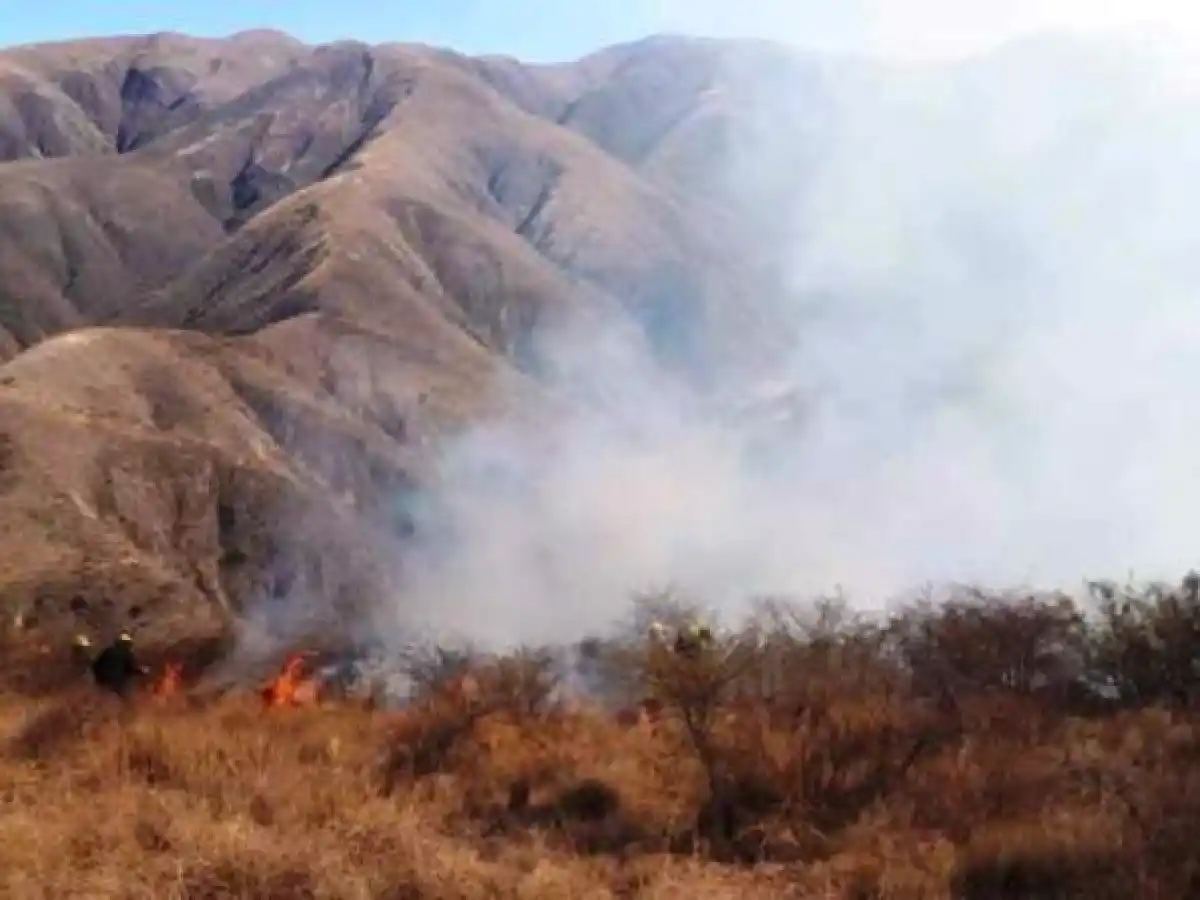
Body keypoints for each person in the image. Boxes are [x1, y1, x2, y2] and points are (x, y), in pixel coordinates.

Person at [90, 631, 148, 698]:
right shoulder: (127, 654)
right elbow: (131, 668)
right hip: (116, 686)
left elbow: (95, 665)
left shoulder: (108, 651)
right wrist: (141, 671)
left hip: (101, 684)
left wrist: (98, 678)